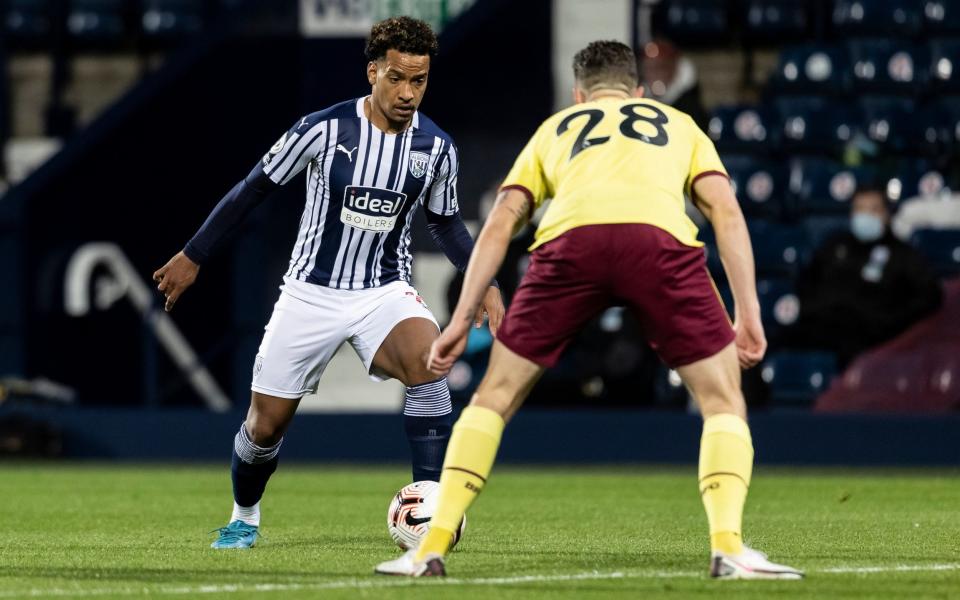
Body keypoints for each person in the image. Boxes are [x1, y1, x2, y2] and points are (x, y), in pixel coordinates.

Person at [375, 40, 802, 579]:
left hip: (570, 244)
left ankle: (429, 549)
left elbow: (504, 220)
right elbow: (726, 211)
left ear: (580, 95)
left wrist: (461, 317)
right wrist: (749, 312)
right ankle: (728, 547)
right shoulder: (679, 124)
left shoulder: (557, 128)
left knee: (494, 397)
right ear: (638, 91)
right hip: (659, 243)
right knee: (722, 401)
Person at [152, 16, 503, 549]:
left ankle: (429, 507)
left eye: (420, 80)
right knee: (264, 428)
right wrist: (193, 254)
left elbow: (447, 222)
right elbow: (252, 189)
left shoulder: (435, 148)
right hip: (309, 294)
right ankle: (244, 515)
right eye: (397, 78)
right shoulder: (323, 129)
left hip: (383, 292)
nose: (408, 92)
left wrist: (485, 281)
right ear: (372, 72)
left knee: (431, 365)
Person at [779, 185, 942, 368]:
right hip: (822, 328)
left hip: (870, 339)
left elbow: (929, 296)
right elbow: (806, 282)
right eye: (859, 209)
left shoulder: (902, 255)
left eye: (873, 209)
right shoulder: (835, 246)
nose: (865, 215)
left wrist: (890, 321)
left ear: (887, 214)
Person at [640, 39, 708, 131]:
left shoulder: (691, 109)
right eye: (649, 68)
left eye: (661, 67)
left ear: (674, 68)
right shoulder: (638, 102)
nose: (654, 74)